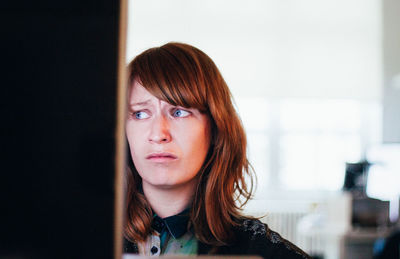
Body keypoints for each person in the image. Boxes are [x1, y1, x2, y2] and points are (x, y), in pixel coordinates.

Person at [123, 42, 310, 258]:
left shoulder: (261, 250)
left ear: (214, 128)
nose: (158, 134)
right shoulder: (85, 237)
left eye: (179, 112)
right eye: (140, 114)